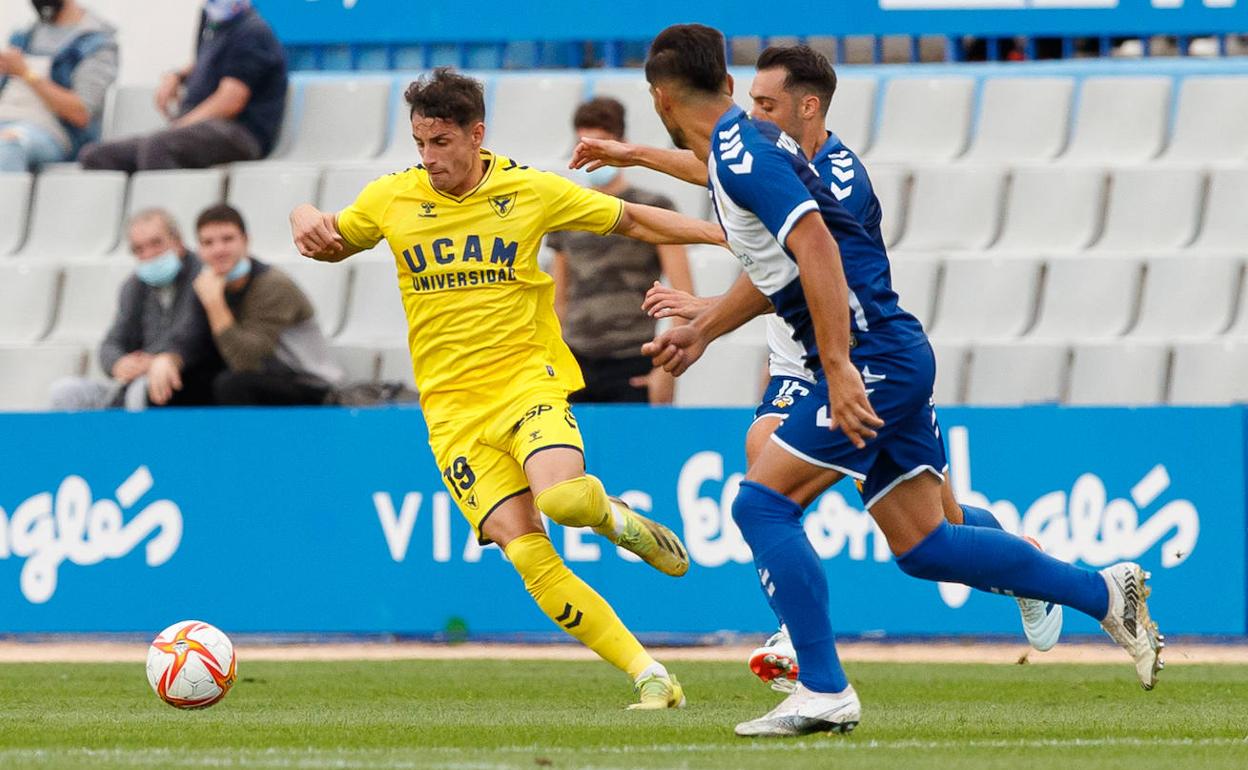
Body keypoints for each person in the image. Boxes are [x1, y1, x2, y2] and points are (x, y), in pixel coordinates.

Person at [639, 24, 1164, 737]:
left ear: (661, 98)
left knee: (761, 505)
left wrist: (837, 368)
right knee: (926, 547)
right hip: (892, 351)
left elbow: (816, 245)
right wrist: (705, 325)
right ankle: (1104, 592)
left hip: (871, 359)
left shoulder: (744, 155)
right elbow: (766, 238)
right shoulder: (745, 147)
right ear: (729, 87)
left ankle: (822, 686)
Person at [573, 44, 1064, 691]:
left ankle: (1029, 567)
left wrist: (711, 315)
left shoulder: (837, 178)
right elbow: (713, 167)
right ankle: (797, 638)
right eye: (752, 103)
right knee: (765, 470)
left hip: (860, 357)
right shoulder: (758, 150)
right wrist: (632, 155)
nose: (754, 116)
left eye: (767, 104)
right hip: (797, 356)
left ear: (808, 107)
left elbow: (803, 265)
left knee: (935, 526)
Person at [288, 67, 724, 709]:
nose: (429, 158)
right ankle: (651, 675)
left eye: (441, 142)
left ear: (476, 134)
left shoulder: (529, 190)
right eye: (420, 143)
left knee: (566, 500)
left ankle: (616, 519)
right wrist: (301, 213)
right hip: (452, 416)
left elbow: (633, 219)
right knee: (530, 559)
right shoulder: (392, 198)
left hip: (525, 385)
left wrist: (727, 235)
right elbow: (328, 240)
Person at [549, 96, 694, 404]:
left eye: (600, 144)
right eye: (583, 144)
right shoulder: (566, 212)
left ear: (621, 143)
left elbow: (683, 293)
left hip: (635, 358)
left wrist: (664, 370)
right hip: (576, 360)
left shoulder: (654, 207)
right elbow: (558, 298)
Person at [155, 204, 342, 407]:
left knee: (232, 385)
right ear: (199, 250)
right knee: (173, 383)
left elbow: (247, 361)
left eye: (227, 239)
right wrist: (169, 359)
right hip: (257, 380)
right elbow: (190, 338)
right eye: (208, 243)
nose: (218, 250)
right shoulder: (207, 282)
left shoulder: (272, 284)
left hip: (309, 386)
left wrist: (215, 304)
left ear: (246, 241)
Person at [79, 0, 285, 172]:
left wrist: (182, 125)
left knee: (158, 147)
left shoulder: (254, 32)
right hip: (200, 128)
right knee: (96, 156)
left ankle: (161, 210)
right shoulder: (214, 23)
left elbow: (230, 100)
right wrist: (176, 76)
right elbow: (206, 61)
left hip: (241, 134)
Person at [50, 209, 220, 411]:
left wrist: (159, 360)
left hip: (186, 379)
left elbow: (195, 336)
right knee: (66, 391)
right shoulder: (134, 285)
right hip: (138, 379)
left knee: (142, 388)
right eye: (139, 249)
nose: (148, 254)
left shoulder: (203, 275)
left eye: (156, 243)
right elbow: (112, 342)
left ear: (178, 241)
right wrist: (119, 363)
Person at [0, 0, 117, 171]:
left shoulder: (97, 43)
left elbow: (81, 113)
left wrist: (26, 73)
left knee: (9, 144)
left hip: (50, 133)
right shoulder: (23, 37)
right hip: (5, 119)